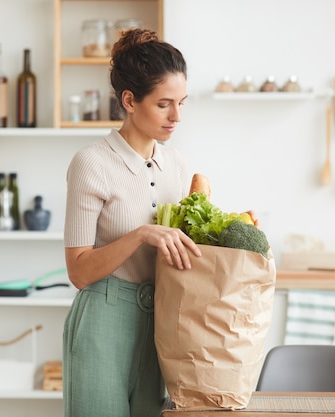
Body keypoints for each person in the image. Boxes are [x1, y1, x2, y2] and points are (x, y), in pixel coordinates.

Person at [62, 28, 202, 417]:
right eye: (164, 104)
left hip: (162, 321)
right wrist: (141, 235)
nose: (176, 116)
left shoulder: (177, 165)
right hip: (104, 317)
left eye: (182, 103)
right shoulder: (92, 162)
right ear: (129, 100)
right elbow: (78, 270)